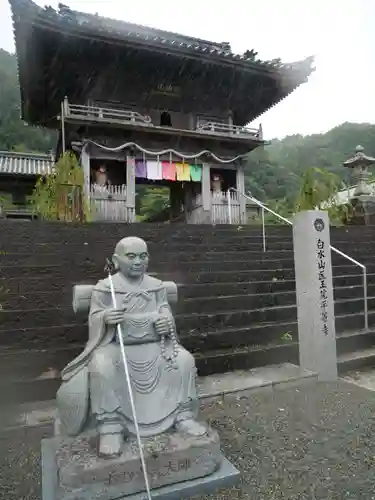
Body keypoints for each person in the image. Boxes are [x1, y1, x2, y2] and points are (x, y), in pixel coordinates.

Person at [56, 236, 206, 458]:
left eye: (143, 256)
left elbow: (164, 309)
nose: (138, 261)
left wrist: (166, 321)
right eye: (132, 256)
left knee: (184, 360)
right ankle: (111, 426)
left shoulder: (155, 287)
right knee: (101, 363)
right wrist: (106, 317)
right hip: (118, 347)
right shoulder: (106, 288)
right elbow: (95, 318)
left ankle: (182, 416)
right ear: (117, 260)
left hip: (155, 345)